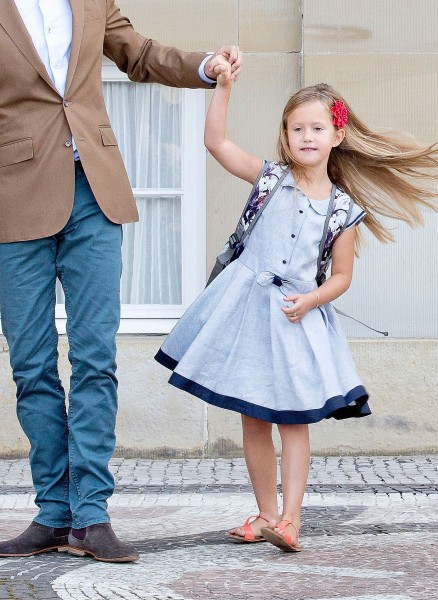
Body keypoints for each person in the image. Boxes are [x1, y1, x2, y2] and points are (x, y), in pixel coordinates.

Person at [155, 63, 438, 552]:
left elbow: (341, 277)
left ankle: (291, 520)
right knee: (252, 417)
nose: (307, 136)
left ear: (337, 134)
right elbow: (216, 143)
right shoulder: (269, 179)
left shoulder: (343, 209)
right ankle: (265, 514)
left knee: (293, 419)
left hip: (295, 317)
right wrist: (223, 88)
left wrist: (311, 299)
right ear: (286, 135)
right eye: (298, 129)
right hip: (246, 313)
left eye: (317, 128)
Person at [0, 0, 242, 563]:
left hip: (96, 196)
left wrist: (206, 66)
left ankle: (90, 514)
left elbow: (141, 54)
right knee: (32, 365)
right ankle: (52, 513)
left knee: (94, 359)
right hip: (15, 201)